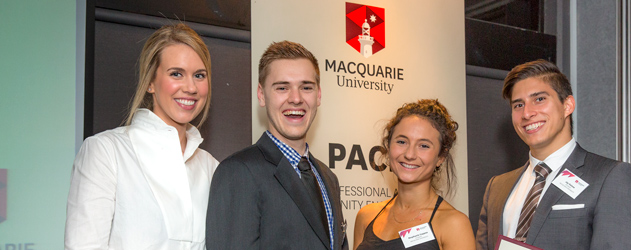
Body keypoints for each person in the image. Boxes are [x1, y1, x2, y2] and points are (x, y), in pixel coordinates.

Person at [65, 23, 218, 249]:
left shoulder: (212, 168)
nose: (191, 87)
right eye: (176, 73)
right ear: (149, 82)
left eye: (199, 75)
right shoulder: (106, 152)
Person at [475, 60, 631, 250]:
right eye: (518, 105)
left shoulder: (611, 177)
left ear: (567, 105)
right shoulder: (497, 188)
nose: (527, 113)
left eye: (539, 99)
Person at [206, 41, 348, 250]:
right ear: (262, 95)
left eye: (306, 87)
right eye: (282, 87)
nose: (296, 98)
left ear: (318, 95)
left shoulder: (328, 178)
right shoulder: (238, 172)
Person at [354, 99, 476, 250]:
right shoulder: (367, 216)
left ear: (440, 157)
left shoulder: (453, 224)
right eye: (402, 142)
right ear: (388, 146)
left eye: (423, 146)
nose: (410, 154)